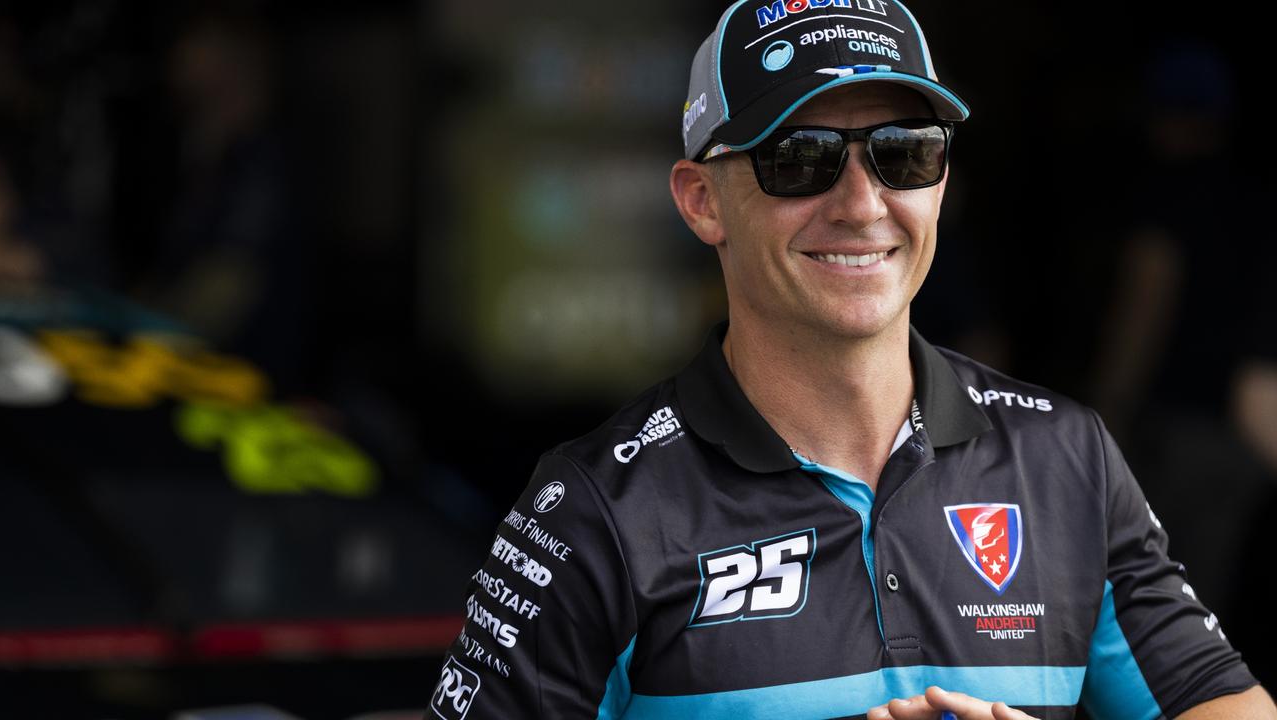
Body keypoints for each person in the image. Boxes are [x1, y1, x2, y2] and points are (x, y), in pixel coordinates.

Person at [428, 2, 1276, 718]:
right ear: (701, 201)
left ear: (942, 183)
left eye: (905, 151)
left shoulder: (1066, 456)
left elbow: (1225, 701)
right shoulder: (593, 510)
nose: (864, 203)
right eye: (800, 159)